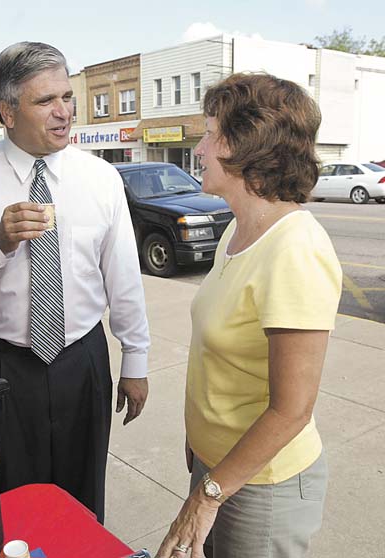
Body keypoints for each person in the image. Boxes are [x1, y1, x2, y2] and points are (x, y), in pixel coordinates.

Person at [0, 41, 150, 523]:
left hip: (83, 359)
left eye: (67, 97)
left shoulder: (101, 179)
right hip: (2, 367)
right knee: (11, 507)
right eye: (46, 101)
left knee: (83, 500)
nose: (63, 112)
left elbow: (122, 275)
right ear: (7, 111)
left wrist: (136, 359)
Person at [155, 73, 342, 558]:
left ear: (245, 145)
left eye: (209, 132)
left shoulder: (295, 248)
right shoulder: (236, 232)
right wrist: (201, 447)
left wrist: (209, 493)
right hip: (221, 468)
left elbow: (291, 410)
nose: (198, 148)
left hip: (263, 487)